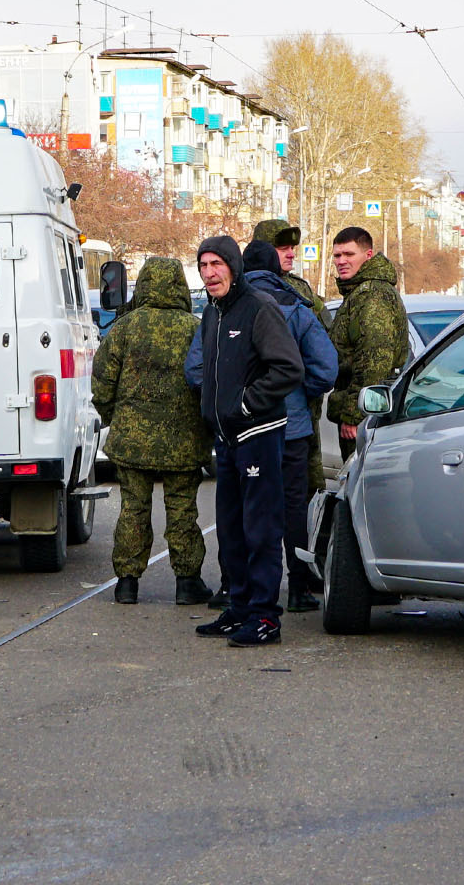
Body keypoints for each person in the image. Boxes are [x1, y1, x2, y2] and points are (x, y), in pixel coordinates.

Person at [186, 236, 304, 647]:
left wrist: (246, 403)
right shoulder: (212, 313)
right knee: (231, 529)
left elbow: (288, 368)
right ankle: (238, 608)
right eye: (203, 265)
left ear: (233, 266)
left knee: (260, 529)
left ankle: (265, 616)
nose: (209, 273)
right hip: (226, 439)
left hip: (257, 434)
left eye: (216, 264)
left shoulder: (259, 308)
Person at [92, 257, 215, 606]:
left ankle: (127, 583)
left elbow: (102, 381)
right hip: (184, 439)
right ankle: (187, 581)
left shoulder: (126, 327)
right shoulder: (195, 327)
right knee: (182, 509)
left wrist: (114, 416)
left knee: (132, 508)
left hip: (132, 438)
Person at [240, 240, 337, 613]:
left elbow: (197, 369)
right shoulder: (297, 309)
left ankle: (241, 589)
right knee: (293, 507)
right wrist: (300, 395)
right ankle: (298, 588)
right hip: (291, 427)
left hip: (244, 427)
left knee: (247, 507)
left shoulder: (230, 310)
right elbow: (326, 368)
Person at [251, 217, 331, 502]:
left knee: (305, 491)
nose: (291, 254)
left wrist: (302, 389)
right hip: (258, 415)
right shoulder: (240, 290)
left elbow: (323, 349)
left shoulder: (303, 291)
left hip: (303, 416)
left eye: (292, 248)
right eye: (282, 247)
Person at [327, 226, 411, 461]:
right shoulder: (359, 292)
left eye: (349, 254)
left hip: (366, 416)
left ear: (368, 255)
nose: (341, 261)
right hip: (366, 411)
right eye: (337, 255)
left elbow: (374, 360)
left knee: (361, 486)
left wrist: (354, 414)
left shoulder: (371, 295)